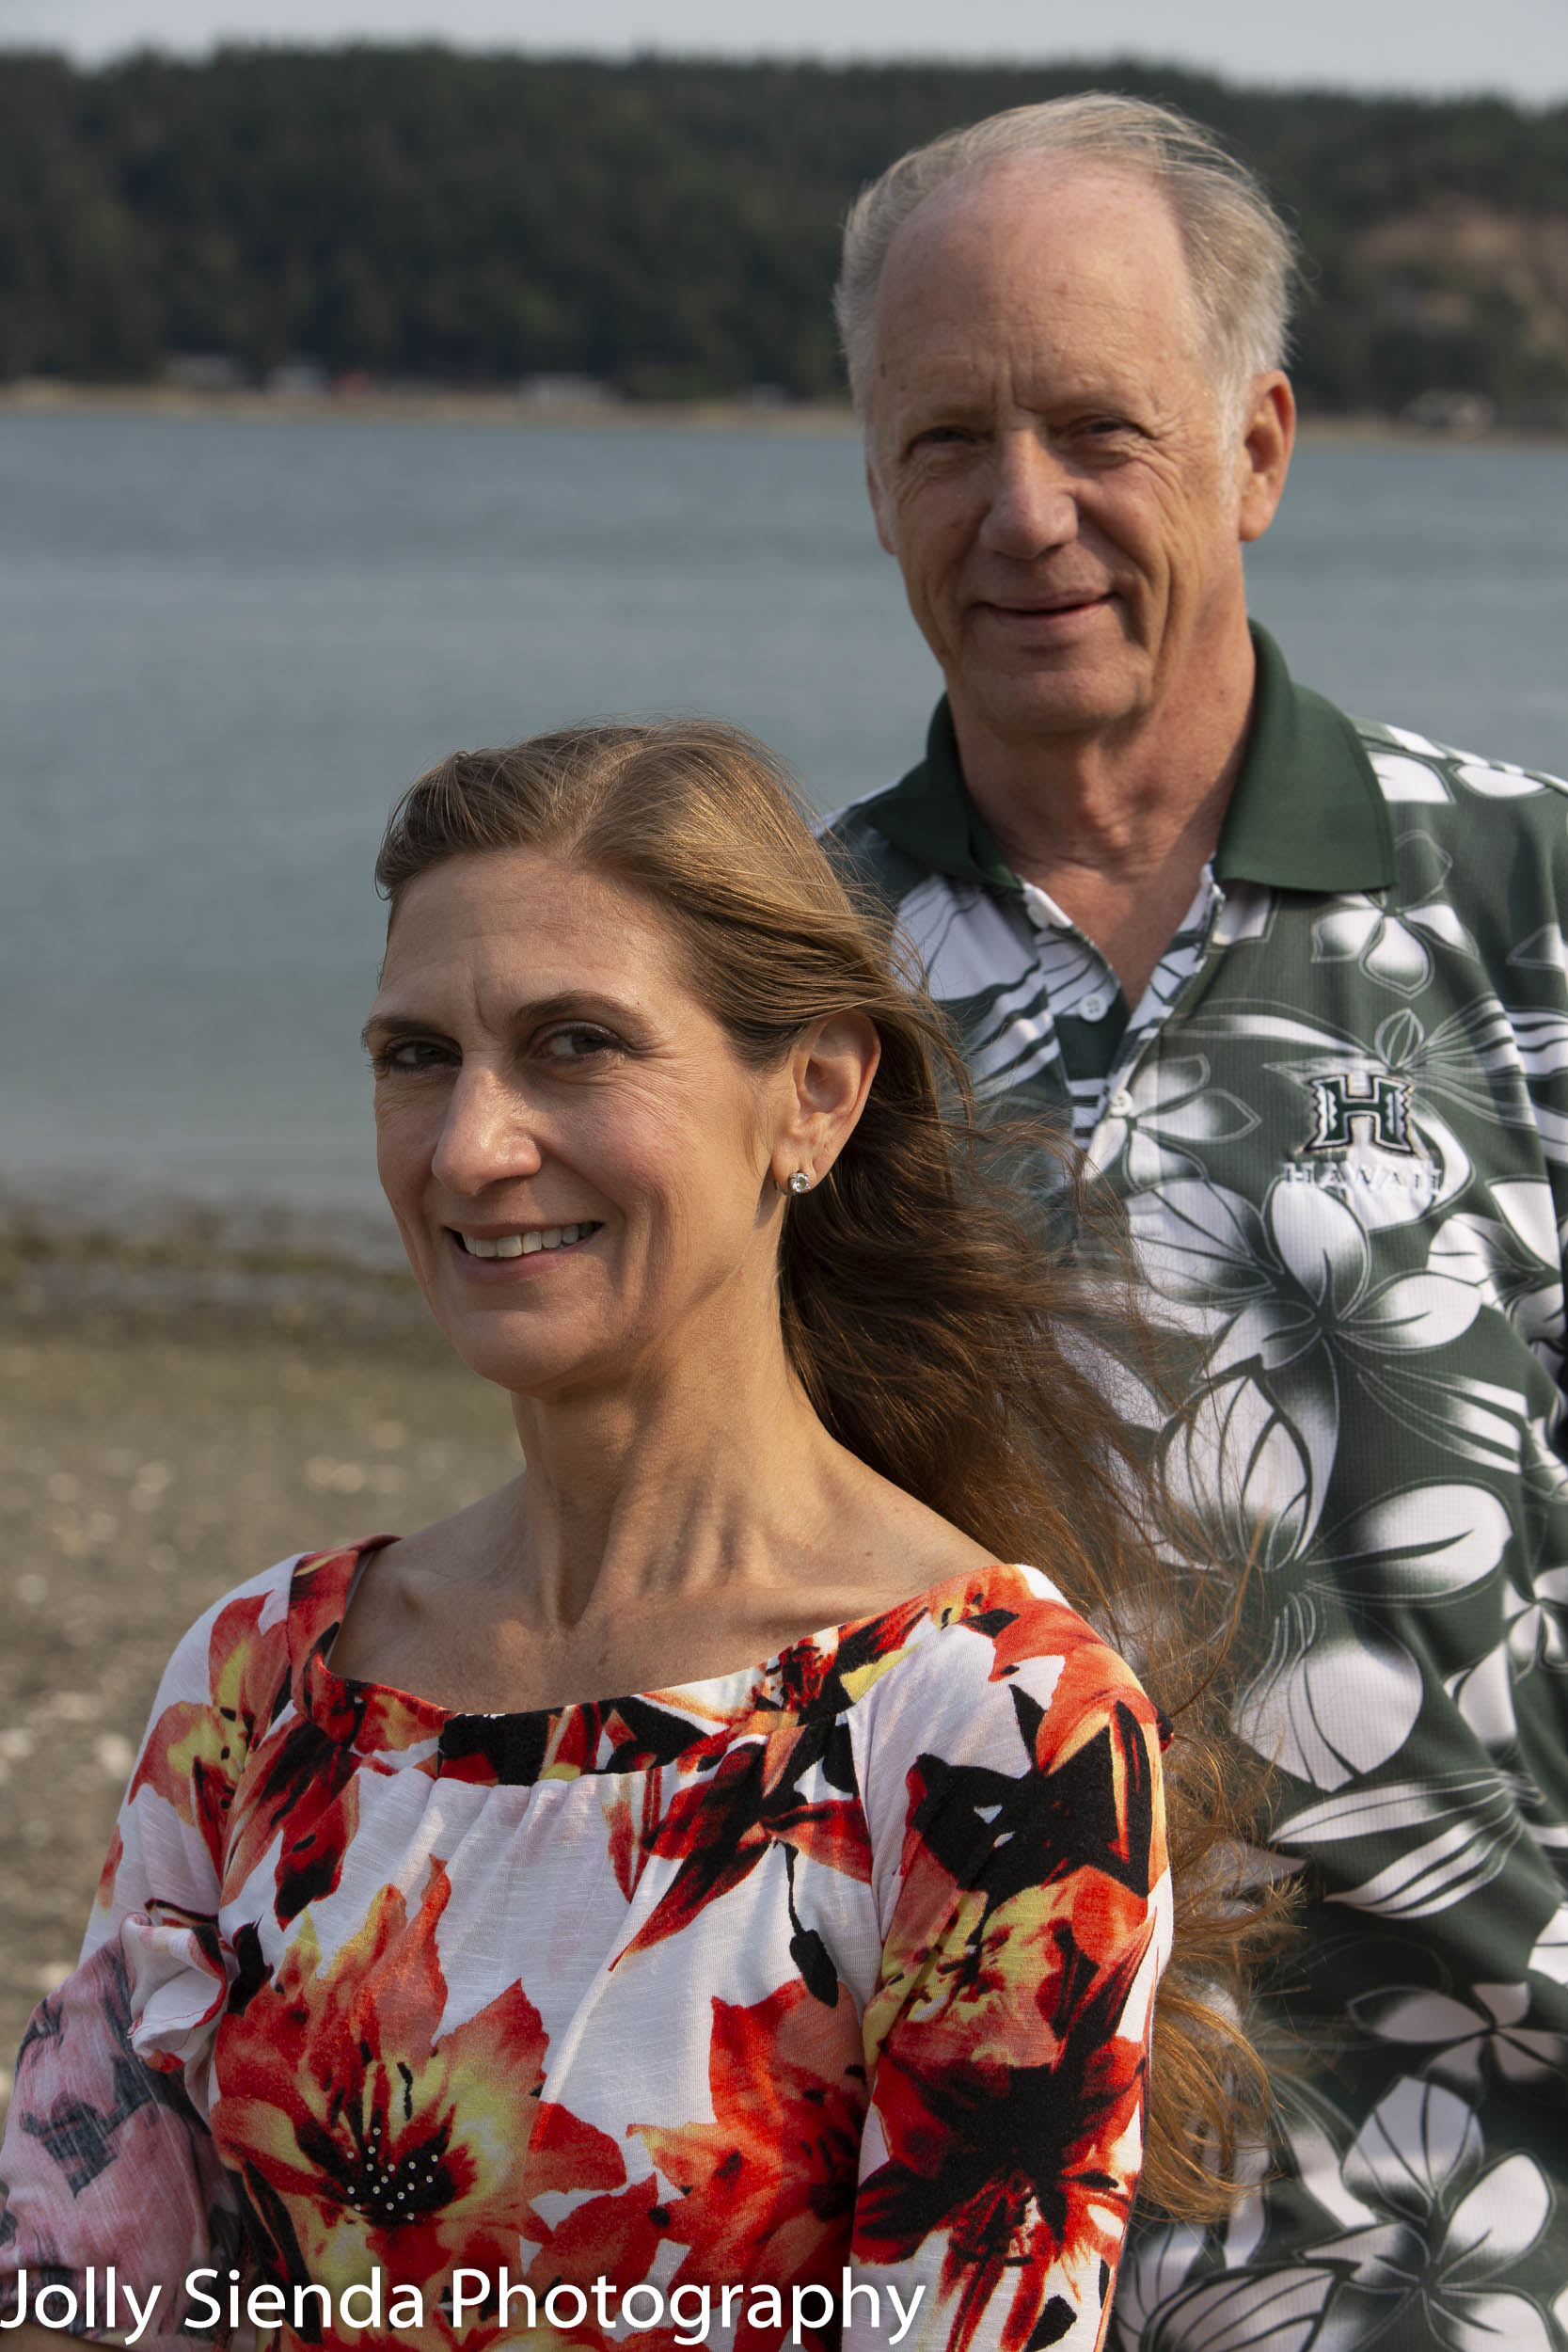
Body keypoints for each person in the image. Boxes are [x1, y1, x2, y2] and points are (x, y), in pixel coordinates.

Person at [0, 723, 1265, 2352]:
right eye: (414, 1057)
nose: (471, 1148)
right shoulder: (268, 1677)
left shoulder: (997, 1729)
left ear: (813, 1094)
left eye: (576, 1044)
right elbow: (89, 2285)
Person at [825, 91, 1568, 2349]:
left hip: (1485, 2200)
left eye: (1096, 429)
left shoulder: (1524, 905)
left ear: (1255, 447)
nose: (1024, 512)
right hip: (948, 2190)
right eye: (947, 437)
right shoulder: (781, 978)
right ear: (872, 482)